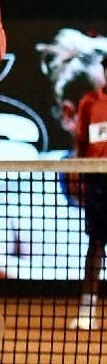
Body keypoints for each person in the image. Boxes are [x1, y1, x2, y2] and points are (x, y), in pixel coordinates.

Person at [71, 72, 107, 330]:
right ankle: (87, 310)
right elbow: (81, 144)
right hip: (98, 183)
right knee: (95, 243)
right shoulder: (89, 103)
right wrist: (81, 181)